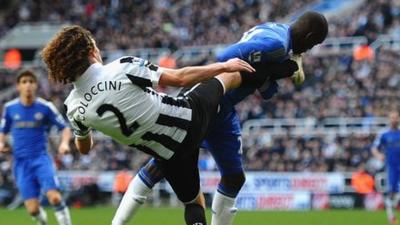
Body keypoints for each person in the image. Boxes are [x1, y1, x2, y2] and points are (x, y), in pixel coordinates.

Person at [41, 25, 298, 225]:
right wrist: (223, 64)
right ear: (90, 51)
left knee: (193, 202)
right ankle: (279, 72)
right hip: (189, 118)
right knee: (230, 75)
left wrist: (81, 134)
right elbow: (179, 77)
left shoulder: (73, 108)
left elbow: (84, 147)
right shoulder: (121, 67)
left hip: (168, 152)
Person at [111, 11, 328, 225]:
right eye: (314, 44)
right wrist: (274, 72)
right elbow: (226, 57)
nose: (310, 50)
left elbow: (265, 87)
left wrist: (274, 74)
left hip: (224, 111)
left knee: (234, 177)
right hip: (206, 100)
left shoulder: (279, 34)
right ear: (308, 38)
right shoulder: (277, 44)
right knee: (160, 165)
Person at [0, 70, 73, 225]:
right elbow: (3, 131)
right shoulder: (10, 108)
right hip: (20, 163)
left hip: (41, 159)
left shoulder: (45, 107)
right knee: (33, 209)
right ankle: (42, 222)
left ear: (36, 85)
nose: (28, 85)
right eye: (24, 82)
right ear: (18, 86)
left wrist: (64, 143)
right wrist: (1, 144)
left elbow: (65, 128)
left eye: (31, 82)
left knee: (54, 197)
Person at [372, 110, 400, 225]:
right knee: (391, 193)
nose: (394, 119)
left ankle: (393, 209)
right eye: (392, 117)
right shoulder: (384, 134)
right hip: (391, 168)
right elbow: (374, 148)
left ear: (398, 119)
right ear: (389, 119)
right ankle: (391, 217)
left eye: (396, 117)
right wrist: (379, 155)